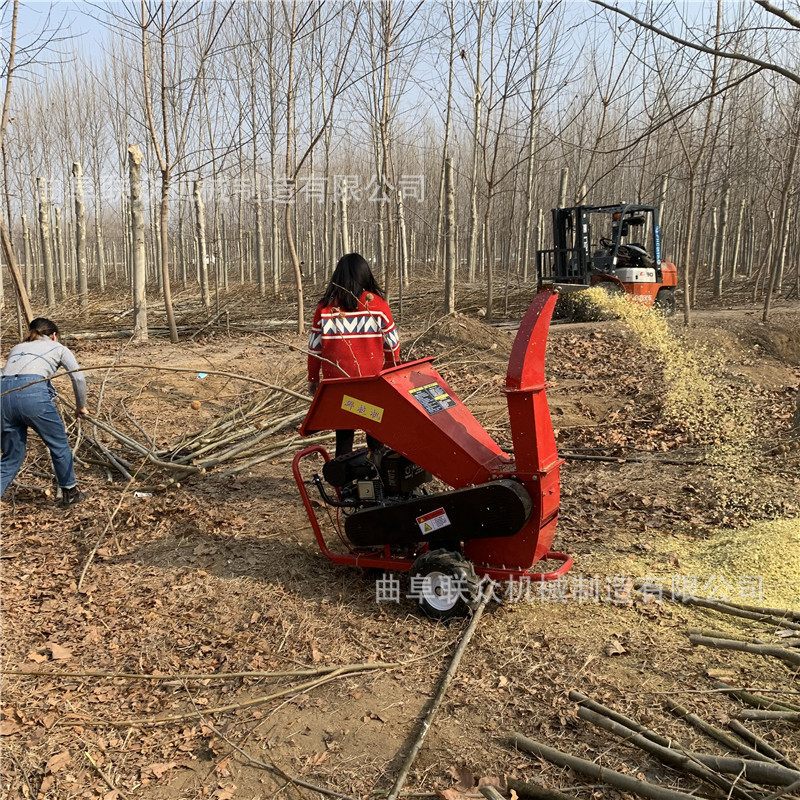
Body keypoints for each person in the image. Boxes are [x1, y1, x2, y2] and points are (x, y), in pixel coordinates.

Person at [307, 253, 400, 457]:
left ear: (337, 277)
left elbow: (315, 350)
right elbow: (392, 346)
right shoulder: (378, 306)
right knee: (375, 432)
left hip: (338, 385)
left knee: (344, 435)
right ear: (366, 275)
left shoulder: (325, 309)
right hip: (373, 383)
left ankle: (345, 483)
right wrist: (393, 372)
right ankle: (377, 479)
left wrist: (313, 380)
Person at [1, 318, 89, 506]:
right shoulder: (59, 348)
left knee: (12, 455)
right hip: (32, 395)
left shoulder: (17, 348)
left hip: (3, 395)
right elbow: (78, 379)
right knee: (58, 444)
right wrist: (80, 406)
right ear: (54, 336)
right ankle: (70, 493)